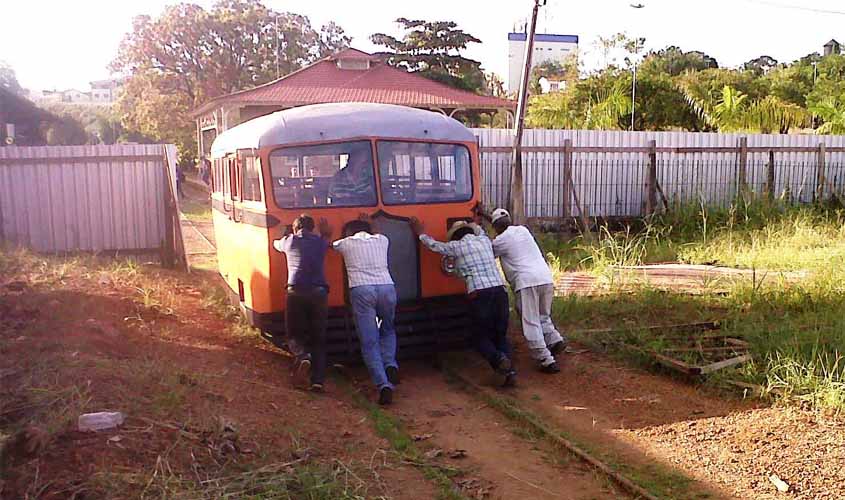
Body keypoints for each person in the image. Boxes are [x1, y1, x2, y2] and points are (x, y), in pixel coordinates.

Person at [411, 218, 517, 387]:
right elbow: (480, 229)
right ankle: (509, 372)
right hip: (500, 291)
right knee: (500, 334)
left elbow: (434, 246)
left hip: (479, 293)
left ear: (455, 236)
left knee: (478, 335)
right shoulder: (484, 240)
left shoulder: (456, 247)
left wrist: (420, 233)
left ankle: (498, 360)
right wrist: (477, 217)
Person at [487, 208, 566, 374]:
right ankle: (554, 339)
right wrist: (487, 216)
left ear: (495, 227)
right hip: (545, 278)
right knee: (543, 315)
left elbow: (488, 252)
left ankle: (545, 360)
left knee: (530, 322)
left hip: (526, 282)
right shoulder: (523, 230)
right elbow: (502, 225)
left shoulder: (499, 242)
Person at [332, 215, 399, 405]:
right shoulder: (383, 240)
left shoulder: (345, 243)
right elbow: (376, 231)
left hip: (362, 290)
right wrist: (371, 222)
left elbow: (331, 245)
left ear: (348, 233)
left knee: (369, 341)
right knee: (388, 329)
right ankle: (390, 364)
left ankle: (383, 384)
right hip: (387, 288)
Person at [272, 214, 332, 392]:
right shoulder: (320, 242)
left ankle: (302, 355)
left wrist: (283, 232)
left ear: (295, 228)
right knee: (318, 339)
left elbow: (275, 244)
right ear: (313, 228)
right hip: (319, 292)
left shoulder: (289, 241)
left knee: (294, 334)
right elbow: (327, 240)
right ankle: (317, 381)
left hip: (296, 291)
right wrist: (325, 233)